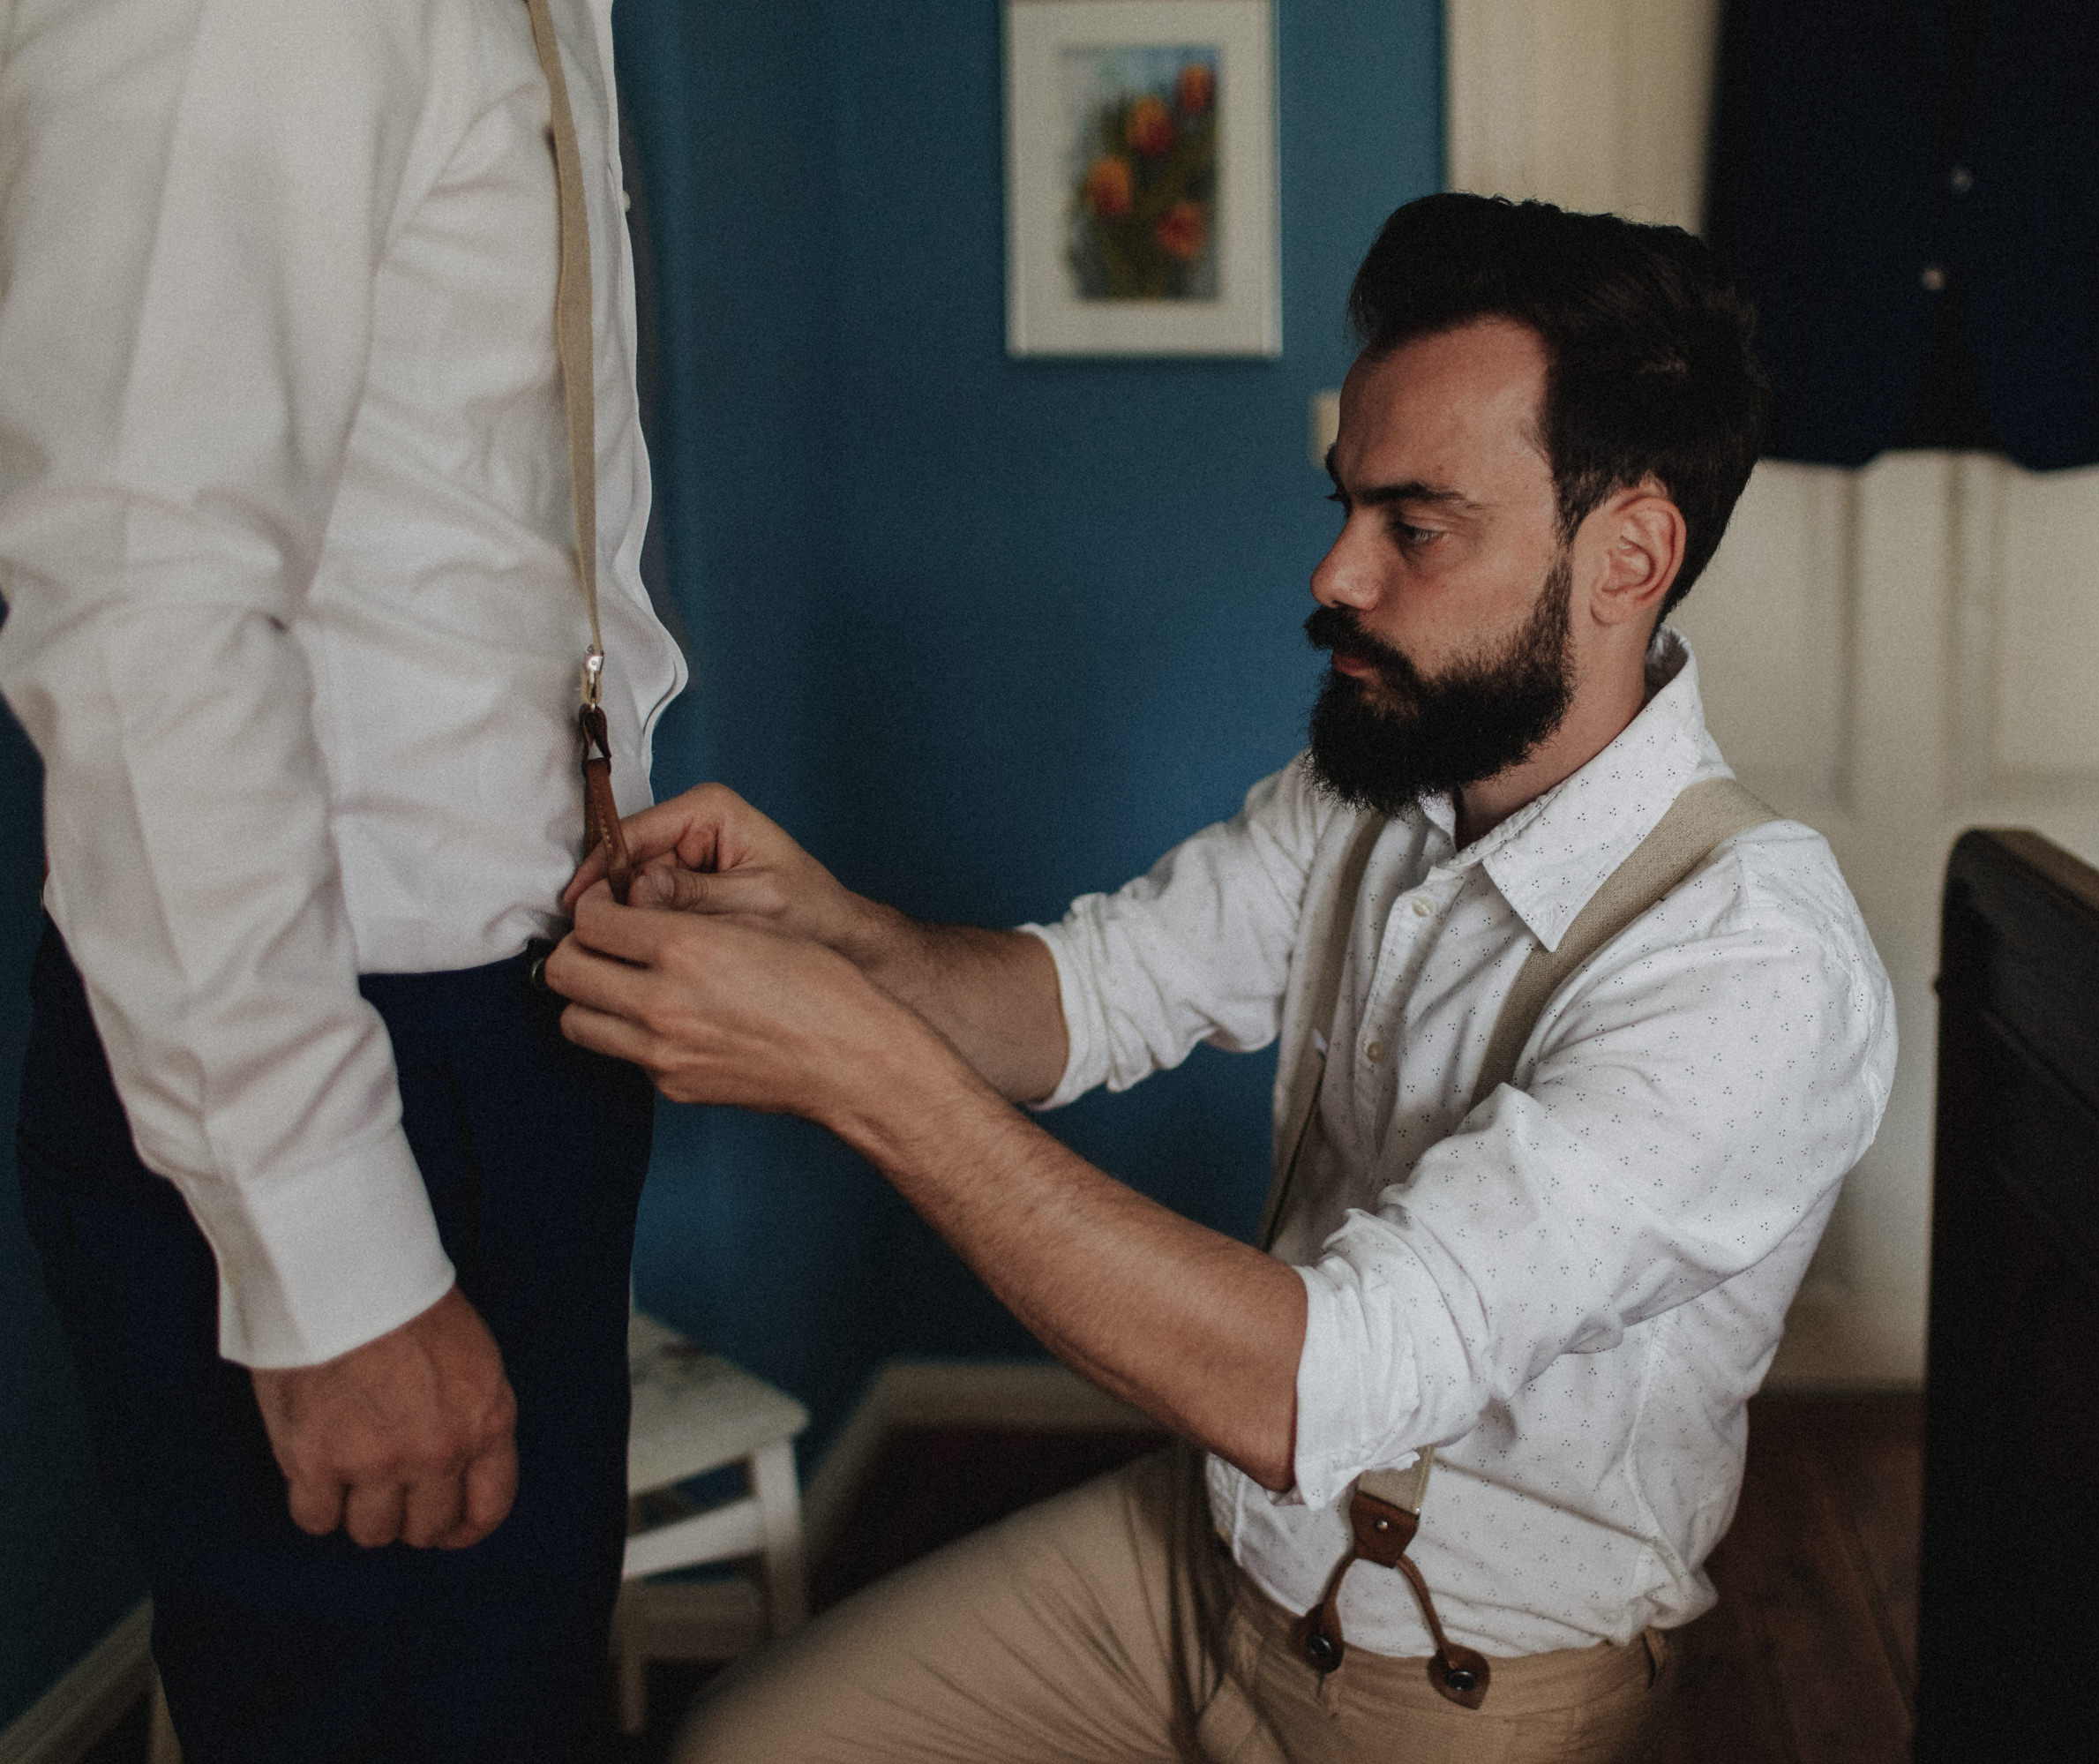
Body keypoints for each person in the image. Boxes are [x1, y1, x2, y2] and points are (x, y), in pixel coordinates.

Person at [552, 192, 1895, 1762]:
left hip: (1460, 1690)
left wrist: (856, 1064)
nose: (1332, 575)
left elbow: (1332, 1381)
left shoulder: (1754, 968)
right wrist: (835, 928)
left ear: (1629, 558)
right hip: (1208, 1561)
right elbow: (1084, 998)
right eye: (1345, 506)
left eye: (1416, 526)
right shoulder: (1379, 787)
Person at [0, 1, 684, 1758]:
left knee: (509, 1699)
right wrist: (333, 1256)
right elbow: (144, 606)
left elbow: (483, 526)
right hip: (351, 1065)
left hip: (511, 1036)